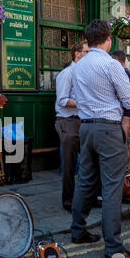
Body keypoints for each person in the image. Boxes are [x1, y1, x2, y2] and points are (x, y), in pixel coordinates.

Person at [70, 20, 130, 258]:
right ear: (108, 39)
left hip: (86, 128)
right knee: (111, 188)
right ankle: (113, 248)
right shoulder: (110, 64)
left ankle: (78, 231)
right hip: (108, 129)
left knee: (86, 181)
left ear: (88, 40)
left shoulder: (78, 65)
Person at [54, 40, 89, 212]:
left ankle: (88, 197)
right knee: (69, 165)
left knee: (90, 161)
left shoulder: (86, 73)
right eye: (87, 52)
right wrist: (86, 103)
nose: (90, 56)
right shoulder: (66, 74)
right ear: (77, 54)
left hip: (83, 120)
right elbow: (62, 101)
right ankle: (68, 202)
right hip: (67, 121)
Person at [111, 50, 130, 174]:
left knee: (125, 142)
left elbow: (123, 95)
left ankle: (126, 171)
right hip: (127, 112)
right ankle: (128, 171)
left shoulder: (124, 73)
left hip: (124, 113)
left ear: (116, 61)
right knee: (129, 142)